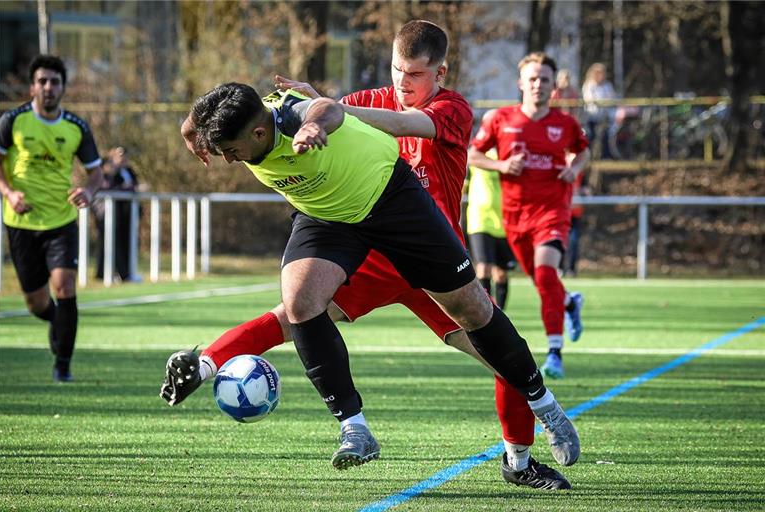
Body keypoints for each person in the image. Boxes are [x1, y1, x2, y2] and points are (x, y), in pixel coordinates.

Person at [162, 21, 575, 490]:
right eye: (398, 70)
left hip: (424, 248)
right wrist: (313, 108)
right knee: (294, 311)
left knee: (493, 345)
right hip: (368, 254)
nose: (403, 82)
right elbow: (313, 112)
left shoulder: (453, 108)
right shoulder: (363, 99)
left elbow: (391, 123)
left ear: (441, 73)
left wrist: (322, 112)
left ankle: (520, 459)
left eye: (416, 74)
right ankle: (214, 366)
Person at [468, 52, 590, 380]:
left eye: (544, 80)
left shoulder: (565, 124)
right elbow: (473, 154)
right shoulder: (500, 120)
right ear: (521, 83)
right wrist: (501, 165)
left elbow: (583, 150)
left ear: (553, 87)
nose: (538, 85)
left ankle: (554, 352)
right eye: (532, 79)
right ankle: (568, 304)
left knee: (545, 271)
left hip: (552, 212)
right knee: (540, 279)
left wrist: (574, 168)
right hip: (514, 217)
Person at [0, 55, 103, 382]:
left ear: (63, 87)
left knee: (65, 286)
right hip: (22, 223)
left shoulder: (76, 127)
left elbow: (95, 171)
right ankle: (60, 323)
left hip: (61, 221)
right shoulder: (11, 122)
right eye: (42, 81)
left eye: (54, 82)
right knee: (36, 302)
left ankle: (63, 365)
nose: (48, 87)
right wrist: (8, 192)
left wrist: (89, 191)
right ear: (32, 86)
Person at [465, 111, 515, 310]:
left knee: (501, 273)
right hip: (480, 219)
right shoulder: (476, 153)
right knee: (483, 268)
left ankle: (501, 313)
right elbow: (469, 162)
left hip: (504, 221)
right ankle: (487, 312)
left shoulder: (508, 151)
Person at [94, 146, 142, 282]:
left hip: (125, 214)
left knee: (125, 242)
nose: (123, 158)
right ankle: (114, 273)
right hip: (107, 213)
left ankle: (123, 273)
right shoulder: (106, 169)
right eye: (120, 155)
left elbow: (134, 184)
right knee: (109, 242)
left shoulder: (129, 171)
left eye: (124, 155)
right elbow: (108, 186)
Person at [581, 62, 617, 159]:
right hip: (591, 117)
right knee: (590, 136)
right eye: (599, 73)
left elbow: (612, 99)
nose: (601, 75)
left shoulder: (607, 85)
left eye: (603, 73)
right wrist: (601, 103)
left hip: (604, 117)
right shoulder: (589, 85)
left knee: (605, 136)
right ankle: (587, 157)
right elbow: (589, 100)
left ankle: (605, 157)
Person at [563, 171, 590, 277]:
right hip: (561, 213)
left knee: (573, 242)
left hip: (575, 214)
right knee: (558, 242)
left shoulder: (580, 173)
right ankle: (559, 268)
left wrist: (583, 191)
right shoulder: (560, 168)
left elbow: (586, 189)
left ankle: (571, 269)